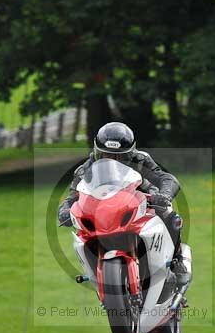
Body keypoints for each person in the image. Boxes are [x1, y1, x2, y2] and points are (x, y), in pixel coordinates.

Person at [58, 121, 190, 286]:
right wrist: (65, 210)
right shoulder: (85, 170)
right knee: (83, 234)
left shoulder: (141, 160)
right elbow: (72, 197)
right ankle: (97, 275)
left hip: (142, 204)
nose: (113, 160)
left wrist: (164, 194)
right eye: (107, 155)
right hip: (105, 212)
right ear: (98, 152)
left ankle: (178, 260)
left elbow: (166, 178)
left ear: (130, 153)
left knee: (170, 216)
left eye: (119, 156)